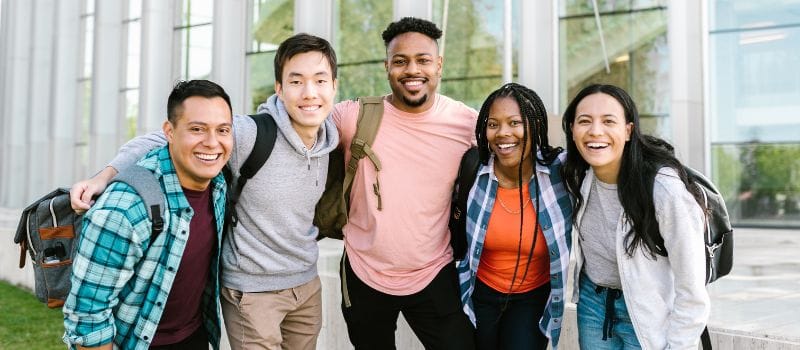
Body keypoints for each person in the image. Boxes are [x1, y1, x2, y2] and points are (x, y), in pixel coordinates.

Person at [69, 34, 340, 350]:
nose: (309, 93)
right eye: (296, 81)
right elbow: (162, 139)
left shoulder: (331, 139)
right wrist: (105, 176)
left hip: (306, 285)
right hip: (253, 292)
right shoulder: (251, 133)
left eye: (320, 80)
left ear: (334, 86)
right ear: (279, 89)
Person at [332, 17, 477, 349]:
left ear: (438, 65)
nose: (412, 70)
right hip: (363, 271)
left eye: (423, 60)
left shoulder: (466, 123)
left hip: (434, 271)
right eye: (400, 61)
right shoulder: (354, 117)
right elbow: (297, 121)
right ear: (387, 67)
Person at [62, 79, 233, 350]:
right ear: (169, 132)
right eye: (197, 129)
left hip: (194, 335)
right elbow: (87, 319)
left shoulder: (218, 184)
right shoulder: (124, 209)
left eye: (222, 130)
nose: (212, 143)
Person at [561, 84, 710, 349]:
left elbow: (692, 291)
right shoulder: (576, 174)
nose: (595, 131)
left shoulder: (664, 189)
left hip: (647, 309)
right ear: (572, 130)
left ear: (628, 130)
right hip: (593, 303)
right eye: (584, 121)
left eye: (609, 121)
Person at [455, 83, 572, 350]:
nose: (503, 133)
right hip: (478, 292)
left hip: (532, 298)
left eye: (515, 123)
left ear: (535, 126)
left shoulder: (560, 172)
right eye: (493, 124)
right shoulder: (474, 169)